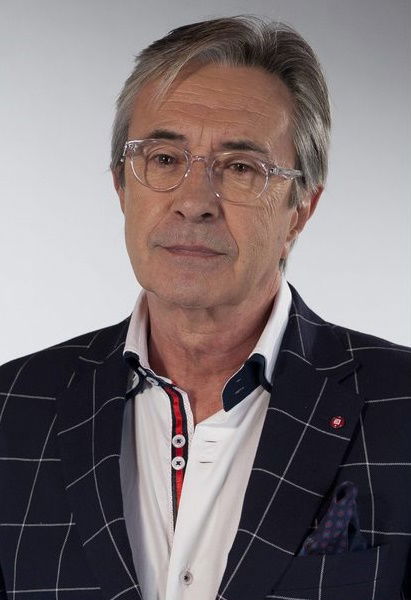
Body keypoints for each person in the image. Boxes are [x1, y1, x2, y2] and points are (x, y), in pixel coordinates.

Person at [0, 15, 410, 600]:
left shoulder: (400, 406)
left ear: (300, 209)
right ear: (121, 186)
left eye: (241, 168)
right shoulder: (11, 409)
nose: (195, 202)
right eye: (165, 159)